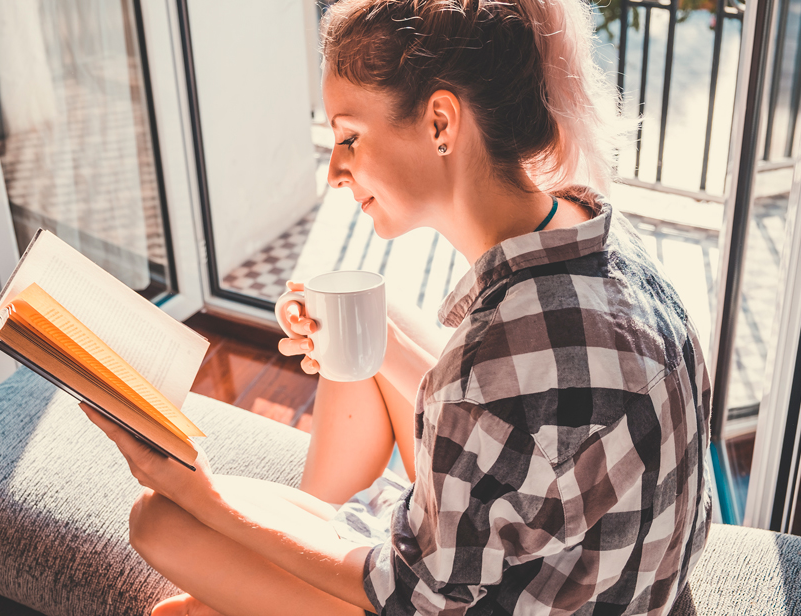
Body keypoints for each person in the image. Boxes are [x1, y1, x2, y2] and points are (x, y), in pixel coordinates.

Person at [80, 0, 713, 614]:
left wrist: (204, 494)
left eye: (349, 137)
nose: (334, 170)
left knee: (159, 521)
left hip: (481, 593)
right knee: (369, 319)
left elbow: (411, 593)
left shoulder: (496, 361)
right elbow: (510, 425)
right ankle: (278, 577)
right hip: (589, 564)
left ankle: (266, 589)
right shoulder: (594, 231)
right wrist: (358, 339)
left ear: (441, 123)